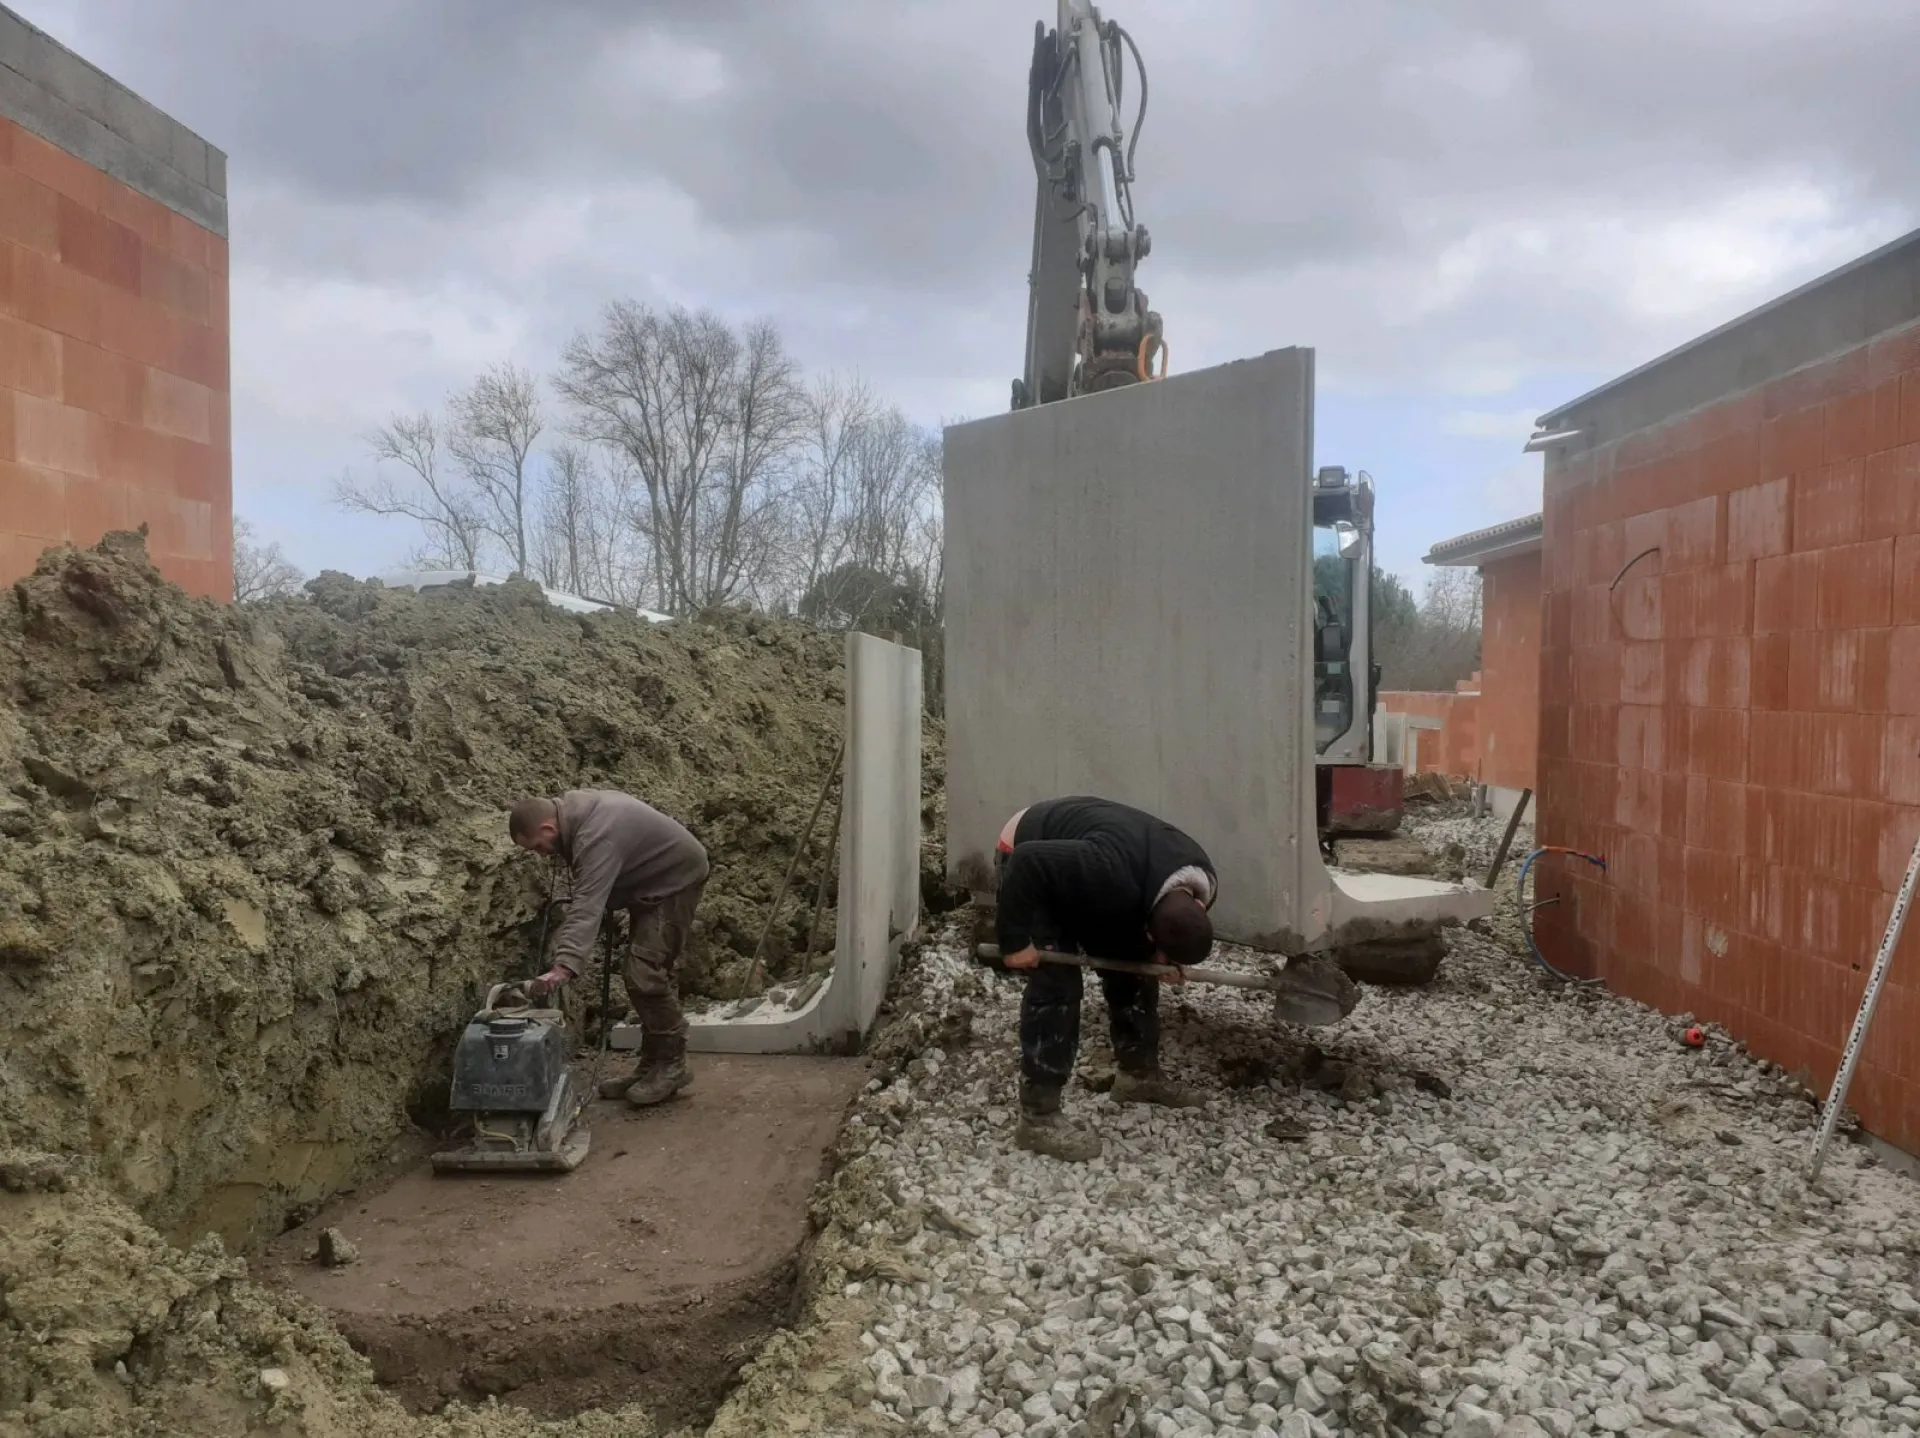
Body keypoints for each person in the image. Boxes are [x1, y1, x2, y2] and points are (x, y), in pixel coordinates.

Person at [993, 795, 1216, 1161]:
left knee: (1136, 970)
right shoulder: (1107, 871)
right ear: (1149, 929)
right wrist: (1015, 941)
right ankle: (1038, 1118)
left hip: (1101, 870)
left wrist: (1163, 961)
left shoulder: (1203, 878)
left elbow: (1162, 935)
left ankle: (1138, 1077)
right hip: (1030, 856)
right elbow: (1027, 861)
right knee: (1058, 983)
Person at [507, 789, 710, 1107]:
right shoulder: (577, 817)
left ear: (548, 829)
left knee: (644, 974)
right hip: (649, 882)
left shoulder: (595, 834)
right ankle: (651, 1064)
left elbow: (588, 901)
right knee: (640, 975)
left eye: (537, 847)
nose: (541, 854)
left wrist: (564, 965)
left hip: (675, 880)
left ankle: (673, 1065)